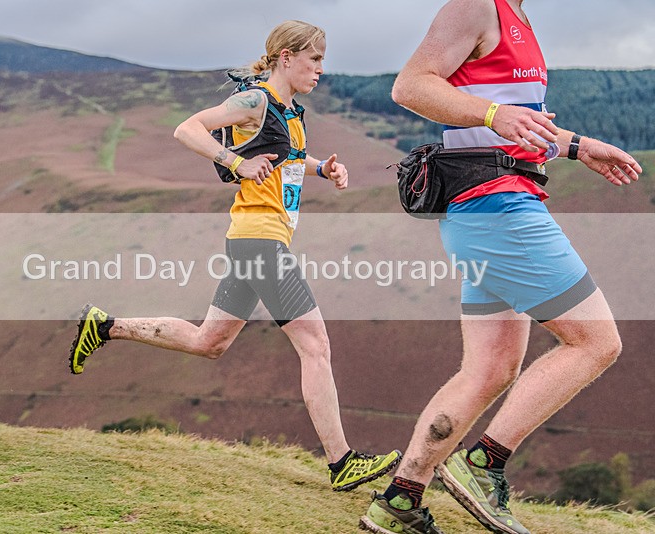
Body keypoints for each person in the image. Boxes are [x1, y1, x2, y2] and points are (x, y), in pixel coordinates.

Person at [68, 20, 400, 492]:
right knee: (316, 346)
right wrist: (235, 162)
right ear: (287, 56)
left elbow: (284, 159)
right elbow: (188, 129)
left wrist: (322, 168)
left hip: (257, 242)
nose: (322, 69)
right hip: (259, 242)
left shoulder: (289, 112)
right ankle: (341, 461)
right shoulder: (256, 100)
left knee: (210, 343)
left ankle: (106, 326)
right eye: (315, 59)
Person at [359, 1, 642, 533]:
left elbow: (517, 125)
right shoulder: (473, 5)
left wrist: (580, 147)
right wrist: (493, 114)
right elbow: (410, 86)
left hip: (491, 208)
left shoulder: (520, 19)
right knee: (596, 342)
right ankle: (483, 464)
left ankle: (399, 500)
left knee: (489, 370)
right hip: (498, 208)